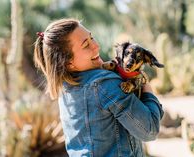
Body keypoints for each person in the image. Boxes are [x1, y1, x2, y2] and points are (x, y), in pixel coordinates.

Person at [34, 18, 164, 157]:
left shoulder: (65, 88)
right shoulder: (105, 84)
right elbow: (149, 129)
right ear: (68, 63)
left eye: (92, 38)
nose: (96, 46)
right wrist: (147, 88)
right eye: (86, 45)